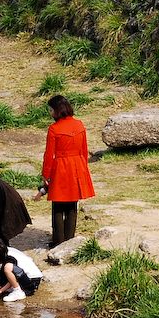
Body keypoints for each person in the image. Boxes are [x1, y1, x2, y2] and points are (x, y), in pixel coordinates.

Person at [35, 95, 95, 245]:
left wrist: (46, 175)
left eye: (51, 110)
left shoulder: (54, 128)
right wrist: (83, 170)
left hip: (60, 167)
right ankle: (70, 240)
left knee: (58, 206)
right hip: (77, 166)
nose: (50, 113)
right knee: (72, 205)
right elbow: (84, 150)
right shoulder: (79, 125)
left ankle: (58, 241)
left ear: (56, 110)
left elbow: (49, 154)